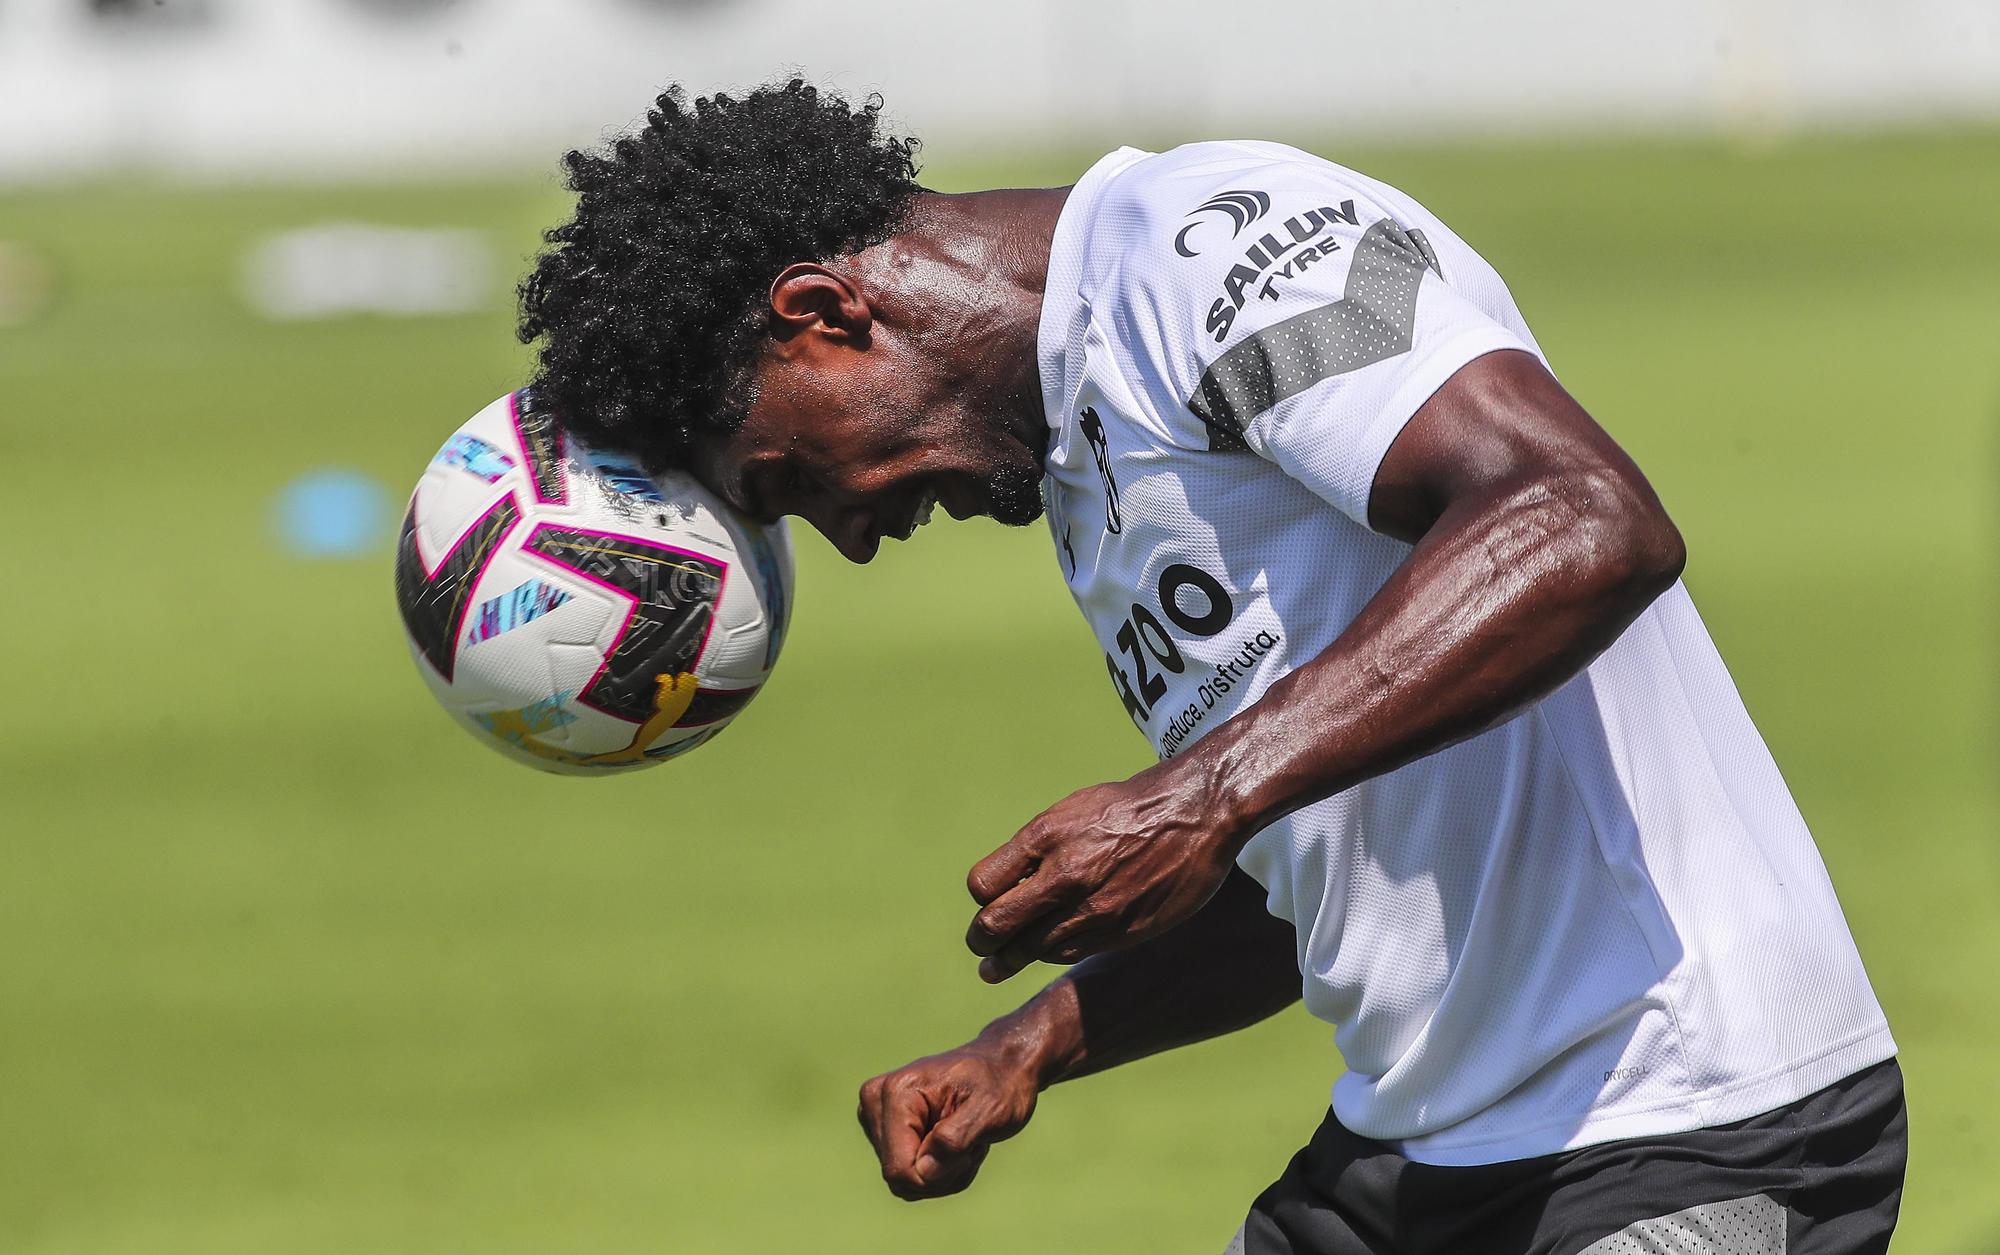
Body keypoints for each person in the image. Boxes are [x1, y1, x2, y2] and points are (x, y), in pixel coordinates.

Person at [516, 79, 1905, 1254]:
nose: (856, 539)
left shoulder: (1207, 253)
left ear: (822, 311)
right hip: (1421, 1157)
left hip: (1687, 1117)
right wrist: (1040, 1039)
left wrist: (1203, 795)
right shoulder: (1075, 469)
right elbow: (1328, 859)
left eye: (792, 477)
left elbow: (1587, 520)